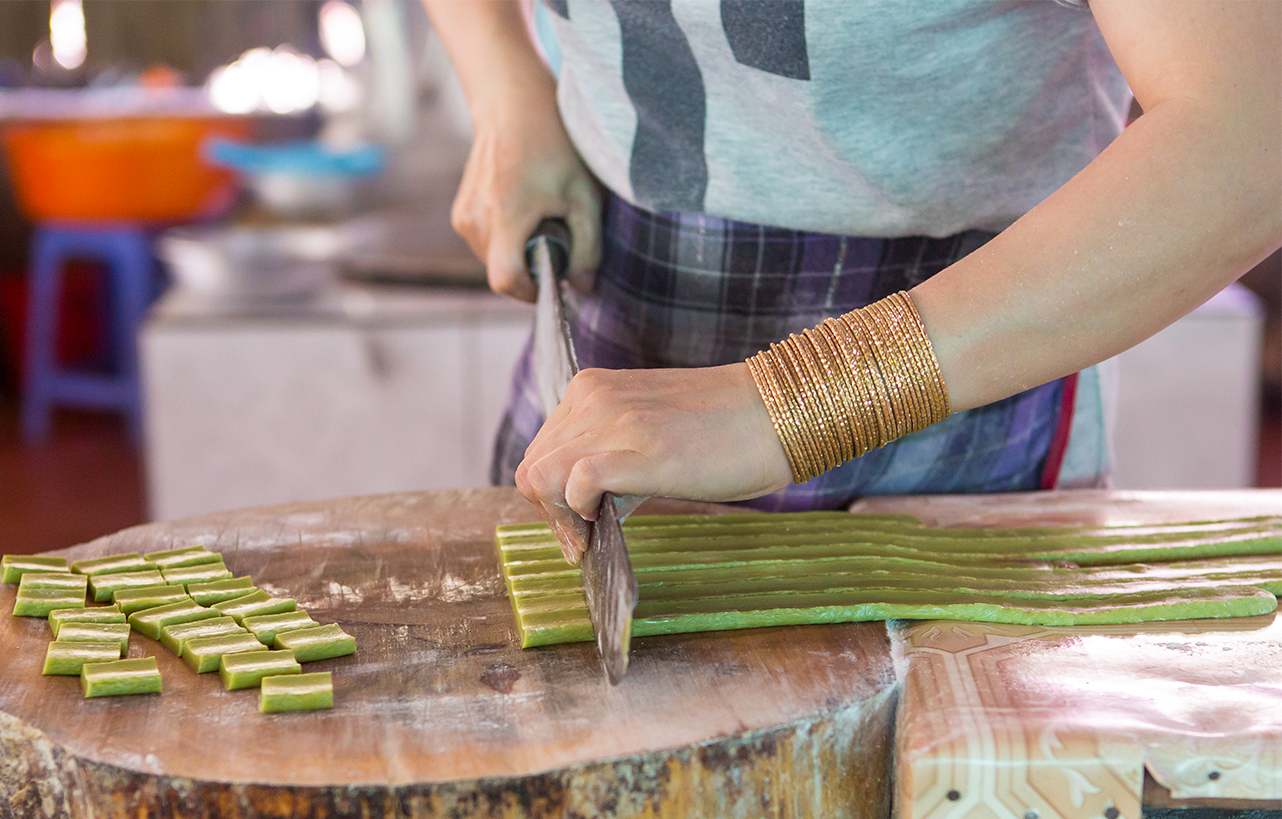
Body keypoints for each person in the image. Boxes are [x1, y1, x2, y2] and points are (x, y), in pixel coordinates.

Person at [423, 0, 1281, 564]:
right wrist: (506, 81)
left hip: (966, 367)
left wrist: (794, 400)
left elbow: (1250, 142)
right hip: (616, 311)